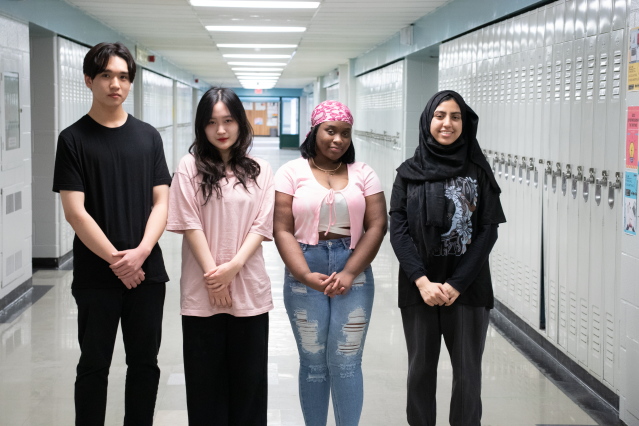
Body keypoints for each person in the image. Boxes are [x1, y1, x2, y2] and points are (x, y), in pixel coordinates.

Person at [52, 42, 171, 426]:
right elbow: (75, 212)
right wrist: (119, 262)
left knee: (144, 365)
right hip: (96, 277)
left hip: (147, 274)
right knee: (93, 366)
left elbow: (162, 203)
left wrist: (140, 253)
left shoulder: (148, 137)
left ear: (130, 83)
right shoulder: (73, 140)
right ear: (89, 80)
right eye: (105, 75)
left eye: (122, 76)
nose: (114, 84)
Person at [389, 90, 506, 426]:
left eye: (455, 116)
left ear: (464, 123)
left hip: (468, 289)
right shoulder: (407, 173)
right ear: (428, 120)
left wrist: (456, 284)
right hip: (418, 288)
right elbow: (398, 230)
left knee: (468, 377)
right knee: (420, 373)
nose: (447, 123)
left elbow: (487, 230)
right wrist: (422, 281)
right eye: (440, 115)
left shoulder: (478, 171)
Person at [273, 100, 387, 426]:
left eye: (346, 133)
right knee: (312, 361)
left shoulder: (363, 173)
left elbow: (377, 225)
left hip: (354, 267)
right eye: (331, 131)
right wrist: (303, 274)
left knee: (347, 360)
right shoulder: (292, 172)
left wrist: (351, 271)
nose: (338, 139)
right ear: (315, 131)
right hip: (305, 263)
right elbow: (281, 228)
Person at [166, 88, 274, 426]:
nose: (221, 130)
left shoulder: (261, 170)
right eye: (212, 122)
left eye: (228, 120)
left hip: (249, 292)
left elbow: (262, 225)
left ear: (241, 122)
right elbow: (188, 222)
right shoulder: (188, 167)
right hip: (202, 293)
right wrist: (214, 277)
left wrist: (234, 268)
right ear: (201, 127)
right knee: (204, 386)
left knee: (249, 386)